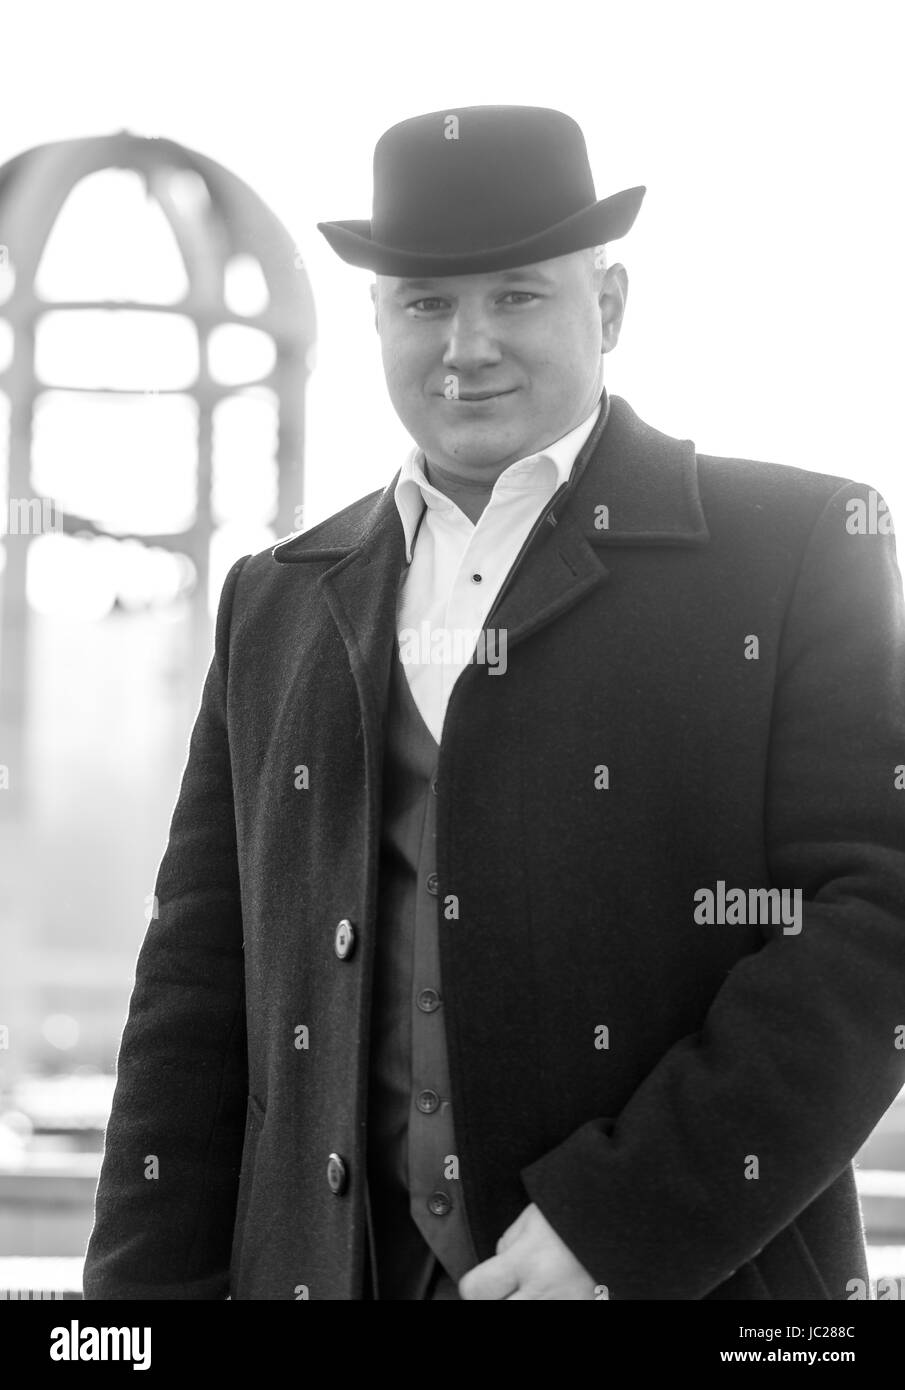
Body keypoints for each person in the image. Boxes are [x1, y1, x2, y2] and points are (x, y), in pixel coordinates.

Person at [83, 105, 905, 1301]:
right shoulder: (273, 597)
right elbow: (196, 985)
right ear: (376, 318)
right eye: (424, 302)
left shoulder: (794, 545)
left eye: (515, 295)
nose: (466, 344)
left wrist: (618, 1224)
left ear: (608, 307)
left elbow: (876, 912)